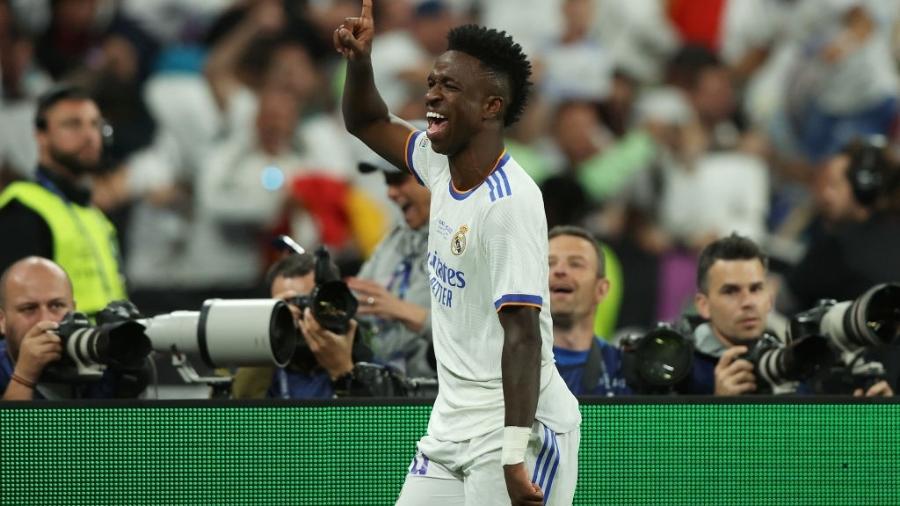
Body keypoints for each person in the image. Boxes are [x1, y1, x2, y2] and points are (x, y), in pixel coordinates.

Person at [336, 2, 581, 504]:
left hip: (517, 425)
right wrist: (360, 62)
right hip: (451, 421)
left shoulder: (509, 203)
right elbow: (366, 119)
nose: (431, 95)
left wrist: (515, 451)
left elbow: (522, 336)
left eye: (449, 87)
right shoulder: (439, 162)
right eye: (431, 83)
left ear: (491, 106)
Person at [679, 234, 893, 397]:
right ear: (704, 305)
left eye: (756, 289)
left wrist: (872, 424)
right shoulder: (680, 368)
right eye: (731, 291)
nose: (748, 302)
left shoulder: (804, 353)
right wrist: (715, 412)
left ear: (770, 298)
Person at [0, 85, 127, 316]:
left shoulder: (93, 213)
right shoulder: (22, 208)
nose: (89, 136)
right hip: (58, 349)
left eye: (95, 124)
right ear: (41, 136)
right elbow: (17, 315)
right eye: (73, 124)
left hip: (107, 347)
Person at [231, 252, 377, 399]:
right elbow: (243, 408)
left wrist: (342, 370)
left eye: (309, 302)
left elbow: (372, 420)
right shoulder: (265, 369)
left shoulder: (367, 365)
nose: (299, 315)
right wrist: (268, 332)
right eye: (285, 304)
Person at [0, 257, 142, 400]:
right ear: (2, 320)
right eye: (29, 308)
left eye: (56, 306)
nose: (45, 320)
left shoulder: (99, 362)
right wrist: (24, 377)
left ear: (73, 309)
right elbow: (10, 423)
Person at [348, 159, 435, 377]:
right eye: (387, 182)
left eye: (397, 181)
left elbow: (481, 334)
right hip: (388, 389)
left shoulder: (466, 242)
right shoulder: (396, 238)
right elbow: (357, 299)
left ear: (433, 174)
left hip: (439, 394)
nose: (390, 193)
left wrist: (408, 313)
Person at [548, 225, 630, 396]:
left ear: (601, 290)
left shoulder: (626, 371)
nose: (560, 270)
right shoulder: (499, 366)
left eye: (575, 264)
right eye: (549, 263)